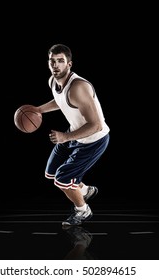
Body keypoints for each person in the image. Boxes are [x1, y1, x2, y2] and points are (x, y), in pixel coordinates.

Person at [35, 44, 110, 226]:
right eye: (52, 61)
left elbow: (96, 125)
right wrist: (38, 110)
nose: (56, 65)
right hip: (74, 133)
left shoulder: (78, 87)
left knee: (62, 179)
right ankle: (84, 190)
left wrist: (64, 137)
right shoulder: (53, 81)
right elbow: (61, 100)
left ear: (69, 64)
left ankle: (82, 210)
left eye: (60, 61)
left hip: (94, 139)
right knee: (50, 173)